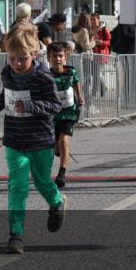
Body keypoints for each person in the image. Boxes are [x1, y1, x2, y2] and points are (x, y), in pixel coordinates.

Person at [0, 22, 67, 255]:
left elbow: (55, 105)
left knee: (42, 182)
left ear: (34, 54)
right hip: (14, 139)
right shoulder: (7, 73)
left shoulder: (44, 77)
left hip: (40, 139)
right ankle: (16, 234)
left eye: (22, 59)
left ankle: (56, 202)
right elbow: (5, 96)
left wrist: (31, 106)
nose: (17, 64)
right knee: (17, 187)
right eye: (12, 59)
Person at [46, 41, 84, 189]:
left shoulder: (70, 71)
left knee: (64, 140)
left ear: (65, 57)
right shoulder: (46, 75)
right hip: (53, 113)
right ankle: (58, 150)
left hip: (69, 111)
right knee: (56, 145)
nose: (58, 59)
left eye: (60, 56)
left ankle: (62, 173)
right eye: (54, 56)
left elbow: (76, 82)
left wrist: (80, 96)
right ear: (48, 58)